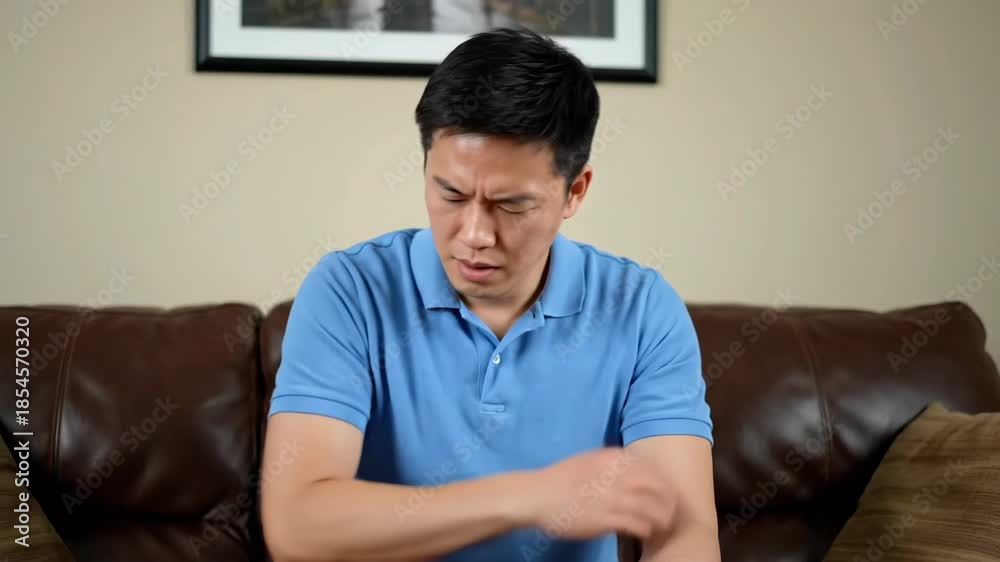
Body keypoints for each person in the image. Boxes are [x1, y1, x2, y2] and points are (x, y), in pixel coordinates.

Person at [260, 27, 720, 562]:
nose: (475, 234)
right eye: (451, 194)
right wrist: (530, 497)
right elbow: (297, 528)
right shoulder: (349, 290)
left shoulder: (642, 309)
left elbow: (685, 535)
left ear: (575, 191)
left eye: (511, 204)